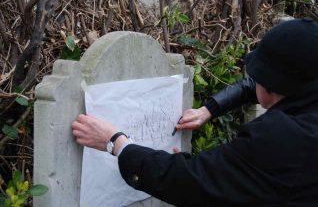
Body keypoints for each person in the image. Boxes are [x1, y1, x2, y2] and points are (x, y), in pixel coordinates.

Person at [71, 18, 318, 206]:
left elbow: (187, 181)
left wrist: (116, 142)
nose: (253, 79)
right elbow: (256, 89)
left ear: (273, 83)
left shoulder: (283, 137)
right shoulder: (306, 97)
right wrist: (208, 110)